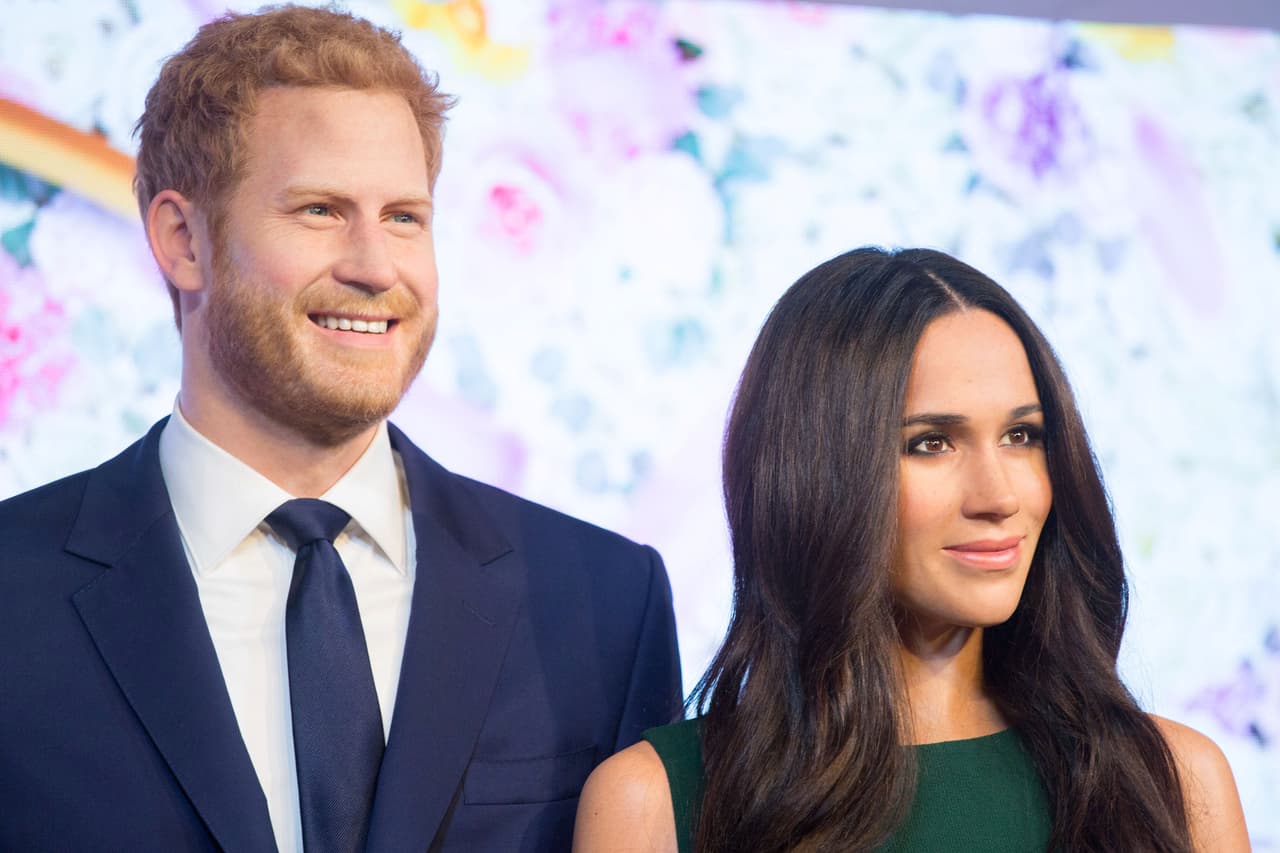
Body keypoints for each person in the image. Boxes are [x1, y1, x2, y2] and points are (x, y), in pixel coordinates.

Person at [0, 7, 681, 852]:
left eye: (405, 217)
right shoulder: (11, 596)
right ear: (182, 239)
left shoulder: (603, 600)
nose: (375, 266)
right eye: (321, 210)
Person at [573, 247, 1250, 853]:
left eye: (1022, 436)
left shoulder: (1175, 785)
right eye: (931, 442)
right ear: (817, 474)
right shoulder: (657, 802)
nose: (999, 495)